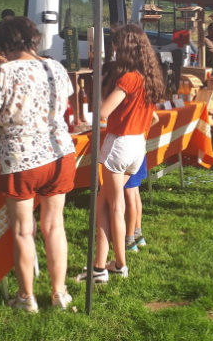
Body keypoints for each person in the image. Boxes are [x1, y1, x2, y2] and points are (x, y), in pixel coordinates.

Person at [0, 16, 76, 313]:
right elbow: (64, 107)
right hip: (59, 154)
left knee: (23, 231)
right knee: (55, 226)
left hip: (21, 159)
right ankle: (59, 294)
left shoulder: (6, 71)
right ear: (34, 39)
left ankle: (26, 297)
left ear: (5, 43)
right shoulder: (55, 66)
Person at [76, 24, 164, 283]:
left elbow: (103, 111)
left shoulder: (128, 78)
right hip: (138, 145)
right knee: (103, 205)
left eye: (115, 45)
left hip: (119, 145)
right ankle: (100, 266)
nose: (113, 49)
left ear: (123, 47)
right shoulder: (149, 76)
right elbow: (155, 117)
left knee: (114, 207)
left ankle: (120, 265)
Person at [124, 157, 147, 253]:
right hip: (139, 152)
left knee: (129, 195)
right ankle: (138, 234)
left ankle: (130, 240)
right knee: (135, 192)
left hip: (129, 155)